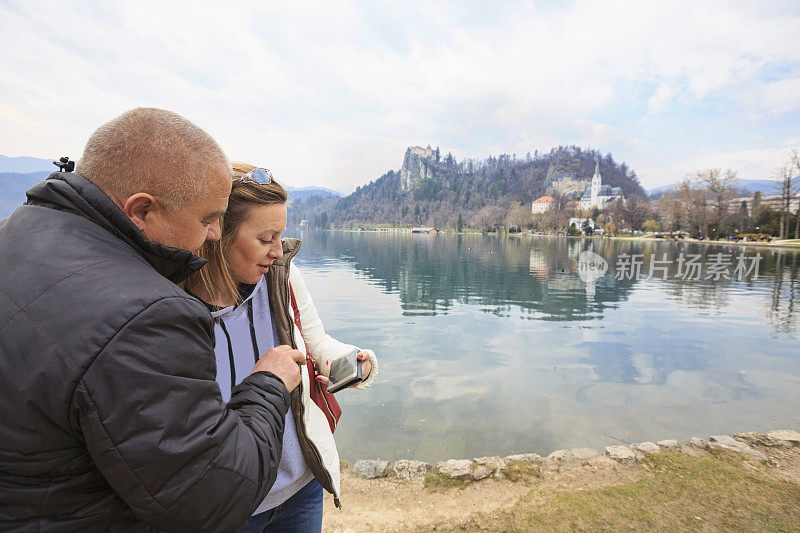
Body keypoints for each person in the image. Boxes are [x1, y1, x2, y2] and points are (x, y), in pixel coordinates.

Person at [0, 108, 306, 531]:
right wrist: (268, 384)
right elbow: (214, 497)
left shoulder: (15, 234)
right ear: (141, 210)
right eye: (207, 219)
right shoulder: (146, 314)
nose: (214, 236)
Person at [184, 162, 379, 532]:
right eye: (265, 239)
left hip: (299, 488)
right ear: (218, 234)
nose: (278, 251)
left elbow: (316, 343)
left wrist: (350, 362)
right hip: (229, 504)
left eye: (280, 236)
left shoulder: (282, 278)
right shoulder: (173, 304)